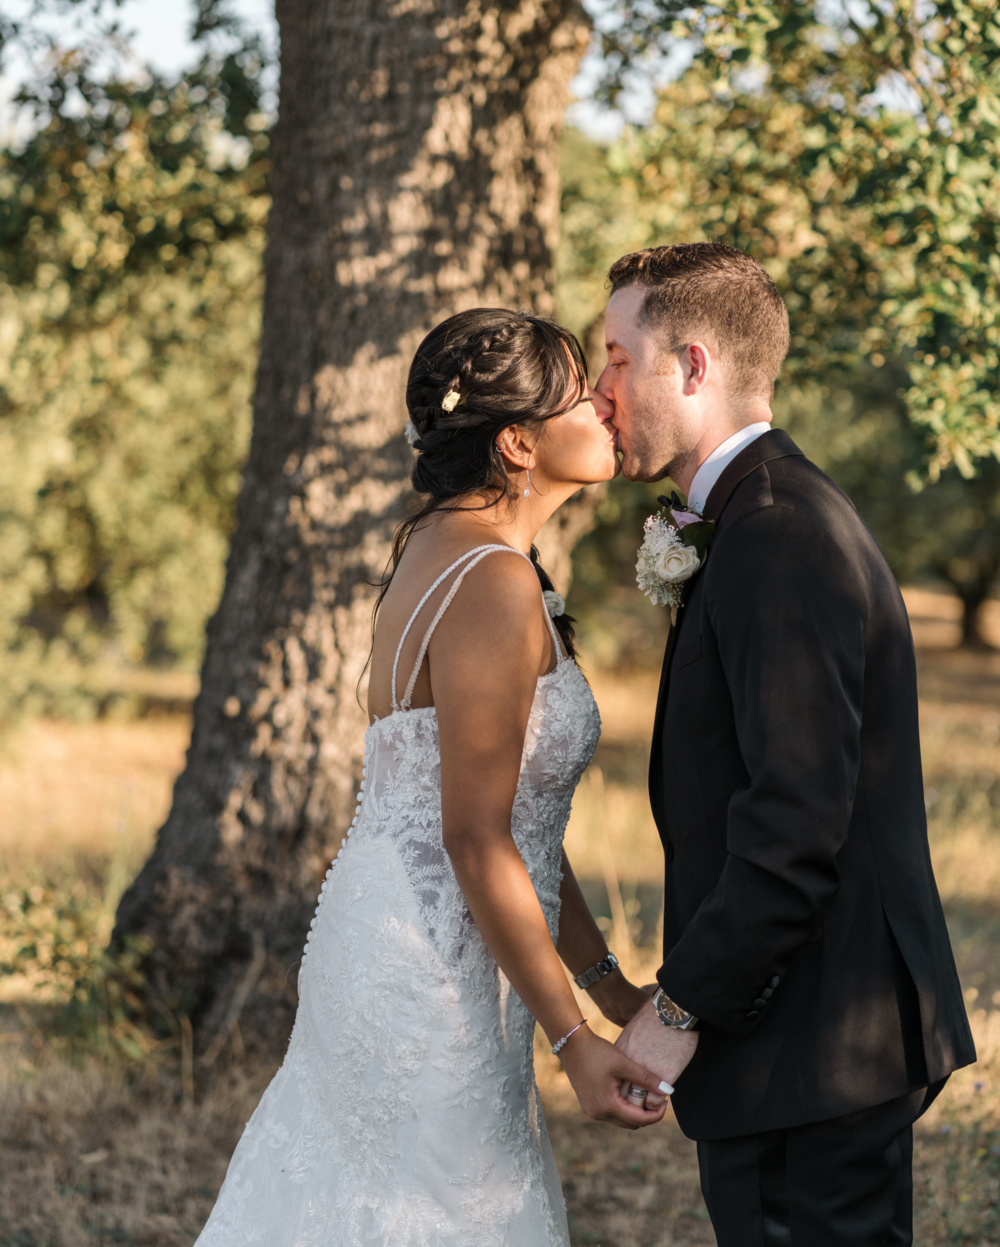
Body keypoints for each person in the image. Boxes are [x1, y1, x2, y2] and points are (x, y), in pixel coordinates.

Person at [195, 308, 668, 1247]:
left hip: (406, 930)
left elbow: (516, 823)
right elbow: (476, 835)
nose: (608, 408)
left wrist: (610, 989)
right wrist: (573, 1041)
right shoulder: (491, 581)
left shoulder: (442, 545)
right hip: (426, 970)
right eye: (583, 395)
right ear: (518, 443)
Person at [597, 242, 976, 1246]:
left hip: (811, 1041)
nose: (599, 391)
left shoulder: (778, 531)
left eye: (613, 358)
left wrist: (676, 1013)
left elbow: (796, 819)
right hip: (804, 1038)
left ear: (691, 366)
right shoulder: (757, 514)